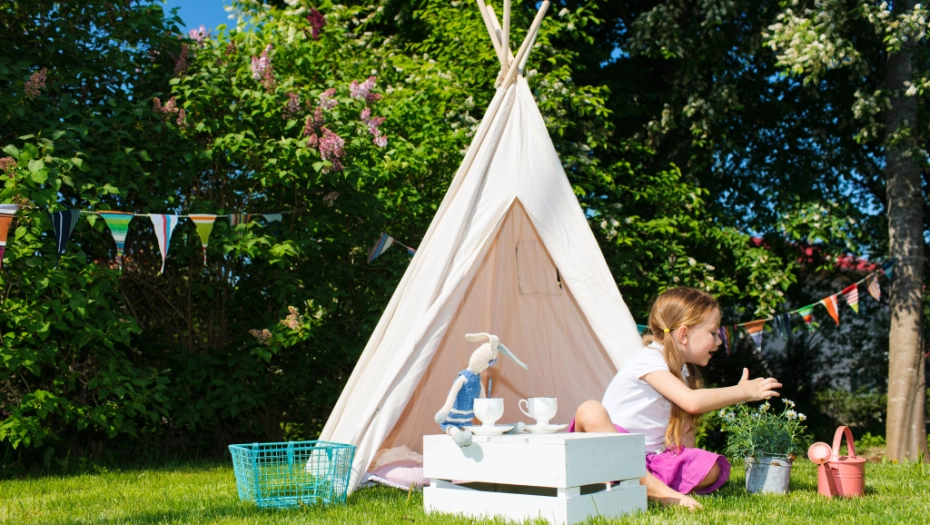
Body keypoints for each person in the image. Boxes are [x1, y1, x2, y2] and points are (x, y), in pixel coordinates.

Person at [572, 287, 782, 509]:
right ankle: (655, 490)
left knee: (711, 469)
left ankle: (638, 484)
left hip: (648, 460)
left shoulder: (683, 372)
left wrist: (688, 459)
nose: (719, 341)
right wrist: (743, 392)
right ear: (683, 335)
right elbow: (692, 401)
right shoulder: (649, 360)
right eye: (713, 333)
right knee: (590, 410)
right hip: (611, 455)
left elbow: (684, 440)